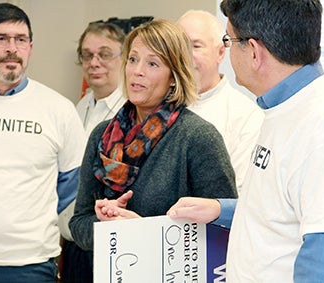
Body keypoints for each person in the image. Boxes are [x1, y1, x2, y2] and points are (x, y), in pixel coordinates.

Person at [218, 0, 324, 281]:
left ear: (253, 51)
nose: (227, 52)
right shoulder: (288, 108)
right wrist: (219, 210)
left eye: (229, 40)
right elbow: (284, 209)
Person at [69, 17, 237, 259]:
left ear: (173, 76)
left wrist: (142, 231)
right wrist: (106, 224)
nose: (137, 71)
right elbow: (79, 224)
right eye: (133, 59)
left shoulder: (198, 137)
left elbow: (224, 231)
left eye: (153, 64)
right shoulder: (102, 135)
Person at [0, 3, 86, 282]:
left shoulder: (58, 109)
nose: (12, 48)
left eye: (20, 39)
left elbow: (72, 186)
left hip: (32, 264)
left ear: (30, 48)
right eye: (1, 38)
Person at [58, 22, 127, 283]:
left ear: (124, 57)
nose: (94, 62)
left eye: (105, 54)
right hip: (74, 242)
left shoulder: (132, 113)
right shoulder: (78, 107)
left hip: (110, 245)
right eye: (87, 55)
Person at [177, 10, 264, 191]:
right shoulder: (155, 107)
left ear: (220, 53)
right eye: (178, 46)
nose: (184, 55)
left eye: (196, 46)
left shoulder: (246, 115)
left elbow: (239, 194)